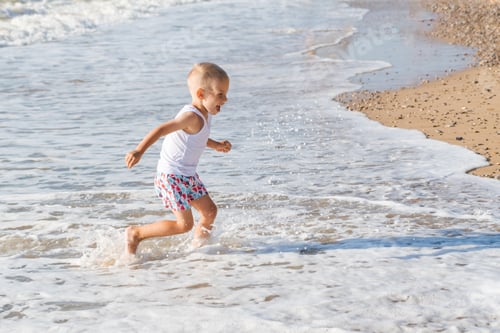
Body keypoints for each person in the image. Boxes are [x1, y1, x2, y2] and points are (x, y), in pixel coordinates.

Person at [124, 62, 231, 255]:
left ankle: (199, 250)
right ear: (201, 94)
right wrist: (139, 150)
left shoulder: (205, 114)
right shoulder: (191, 116)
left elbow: (196, 137)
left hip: (187, 175)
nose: (226, 99)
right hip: (172, 176)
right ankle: (136, 233)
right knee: (184, 224)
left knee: (209, 212)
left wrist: (215, 145)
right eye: (220, 94)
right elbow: (161, 129)